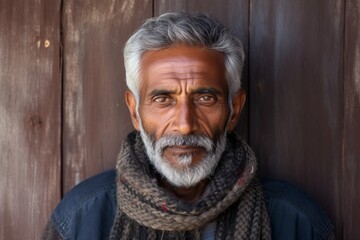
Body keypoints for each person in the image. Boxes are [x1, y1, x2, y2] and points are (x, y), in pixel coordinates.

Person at [42, 12, 334, 240]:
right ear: (134, 110)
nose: (184, 125)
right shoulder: (81, 218)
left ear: (234, 110)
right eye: (163, 99)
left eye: (206, 98)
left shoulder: (297, 221)